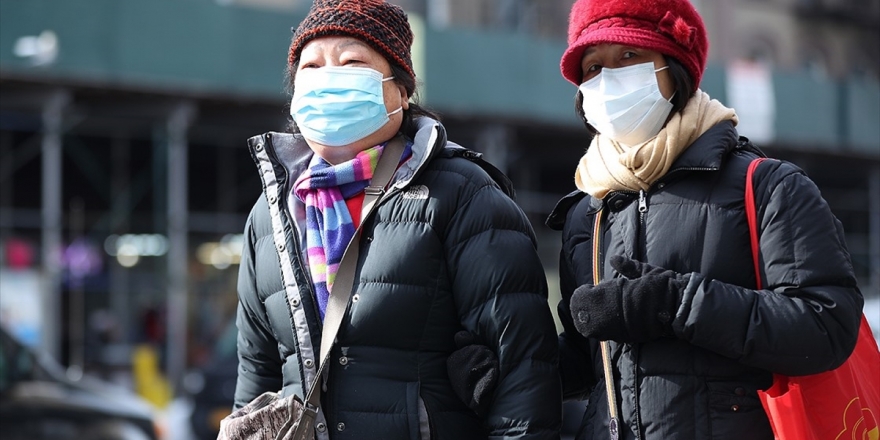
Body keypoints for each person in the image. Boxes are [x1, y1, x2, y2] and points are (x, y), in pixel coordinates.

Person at [232, 0, 562, 438]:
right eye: (310, 68)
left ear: (401, 91)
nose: (327, 78)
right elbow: (256, 380)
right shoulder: (271, 213)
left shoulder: (462, 194)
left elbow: (524, 373)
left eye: (351, 61)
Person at [544, 0, 865, 439]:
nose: (608, 79)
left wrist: (673, 303)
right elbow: (591, 361)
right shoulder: (587, 212)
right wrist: (507, 369)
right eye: (593, 67)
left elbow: (826, 326)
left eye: (629, 57)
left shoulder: (768, 186)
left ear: (673, 70)